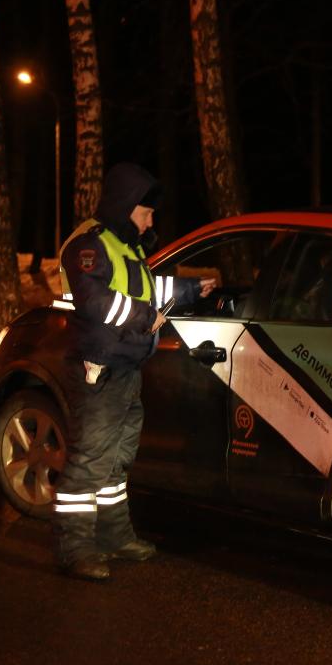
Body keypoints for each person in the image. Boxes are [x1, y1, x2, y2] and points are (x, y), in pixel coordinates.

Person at [55, 162, 215, 581]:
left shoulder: (126, 247)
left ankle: (114, 536)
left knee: (115, 463)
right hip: (100, 368)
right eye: (145, 212)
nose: (150, 220)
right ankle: (76, 548)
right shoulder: (88, 246)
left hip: (126, 368)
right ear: (125, 206)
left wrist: (190, 290)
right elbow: (95, 301)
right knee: (90, 461)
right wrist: (146, 318)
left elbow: (144, 287)